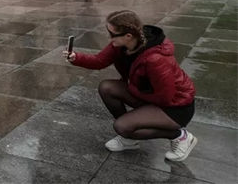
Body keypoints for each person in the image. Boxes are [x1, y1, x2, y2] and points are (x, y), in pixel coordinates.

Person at [64, 10, 197, 162]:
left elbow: (165, 97)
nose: (109, 37)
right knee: (107, 87)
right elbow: (99, 61)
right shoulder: (121, 45)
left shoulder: (156, 58)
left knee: (121, 126)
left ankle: (180, 136)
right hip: (149, 95)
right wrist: (76, 57)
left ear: (128, 36)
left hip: (175, 107)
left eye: (112, 34)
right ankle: (130, 137)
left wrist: (132, 89)